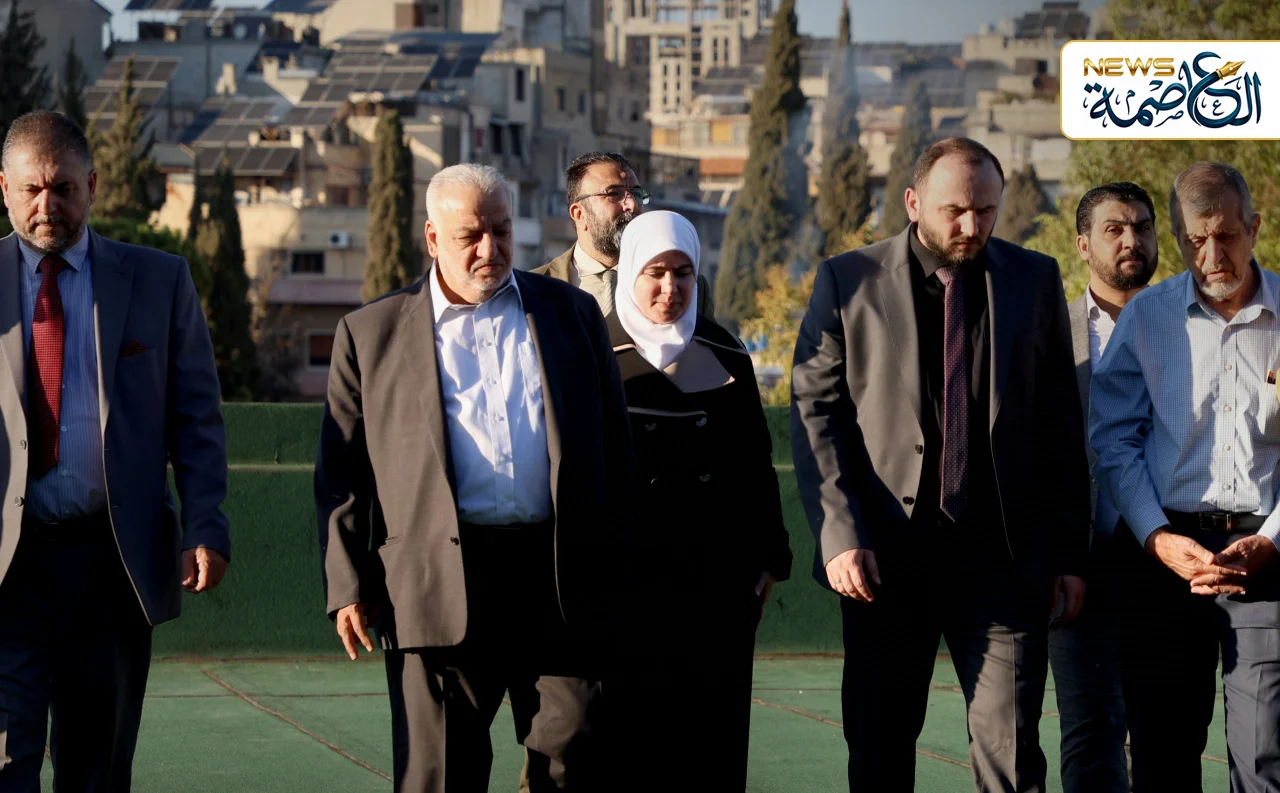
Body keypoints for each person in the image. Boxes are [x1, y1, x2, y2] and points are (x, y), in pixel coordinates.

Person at [314, 163, 632, 793]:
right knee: (441, 771)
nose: (490, 249)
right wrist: (346, 584)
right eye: (470, 236)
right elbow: (341, 473)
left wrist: (617, 567)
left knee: (574, 751)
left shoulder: (572, 315)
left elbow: (615, 450)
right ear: (433, 238)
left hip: (559, 579)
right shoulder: (370, 334)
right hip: (436, 582)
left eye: (502, 231)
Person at [791, 137, 1090, 793]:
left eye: (986, 210)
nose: (972, 226)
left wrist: (1069, 554)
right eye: (955, 211)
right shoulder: (848, 279)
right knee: (880, 753)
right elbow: (816, 413)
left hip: (1005, 564)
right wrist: (840, 536)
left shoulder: (1034, 279)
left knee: (1013, 757)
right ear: (912, 202)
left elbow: (1059, 426)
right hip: (883, 563)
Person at [0, 110, 230, 791]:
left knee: (95, 770)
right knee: (5, 761)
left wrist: (205, 523)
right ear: (4, 189)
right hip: (7, 567)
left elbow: (196, 418)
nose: (48, 206)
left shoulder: (159, 280)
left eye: (64, 188)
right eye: (31, 189)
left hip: (110, 566)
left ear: (93, 185)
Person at [1090, 162, 1280, 793]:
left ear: (1254, 228)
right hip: (1165, 562)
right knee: (1162, 754)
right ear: (1177, 239)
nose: (1213, 255)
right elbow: (1114, 440)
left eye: (1227, 236)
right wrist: (1156, 537)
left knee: (1265, 754)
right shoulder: (1147, 317)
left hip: (1268, 559)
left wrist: (1272, 540)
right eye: (1196, 240)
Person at [606, 210, 792, 791]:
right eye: (655, 272)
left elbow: (755, 461)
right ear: (630, 273)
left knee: (713, 749)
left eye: (683, 272)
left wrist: (768, 559)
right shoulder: (592, 350)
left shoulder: (724, 351)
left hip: (717, 586)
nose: (670, 288)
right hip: (627, 586)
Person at [1048, 181, 1159, 793]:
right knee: (1090, 729)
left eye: (1141, 226)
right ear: (1083, 244)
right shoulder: (1046, 333)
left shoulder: (1191, 327)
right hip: (1079, 561)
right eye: (1114, 228)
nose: (1130, 240)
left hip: (1171, 559)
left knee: (1164, 734)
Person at [534, 151, 713, 318]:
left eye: (637, 194)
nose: (632, 205)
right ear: (579, 214)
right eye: (614, 194)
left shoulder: (687, 288)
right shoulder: (534, 288)